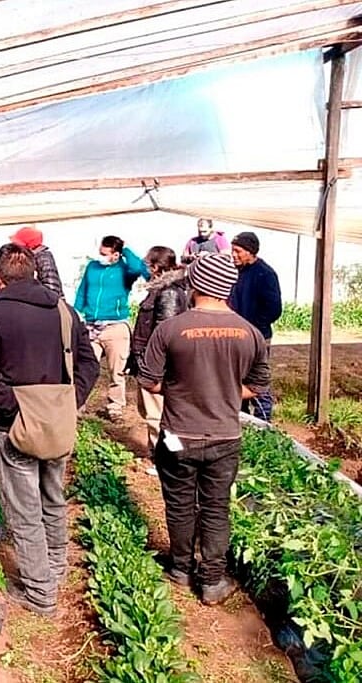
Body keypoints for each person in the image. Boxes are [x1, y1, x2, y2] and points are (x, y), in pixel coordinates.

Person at [0, 243, 99, 616]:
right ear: (34, 273)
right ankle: (55, 569)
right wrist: (68, 401)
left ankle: (41, 595)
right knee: (53, 497)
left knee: (25, 511)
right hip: (58, 424)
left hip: (13, 429)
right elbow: (89, 363)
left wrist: (19, 409)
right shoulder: (64, 311)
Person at [138, 253, 270, 606]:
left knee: (180, 503)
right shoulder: (250, 333)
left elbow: (148, 381)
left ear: (194, 284)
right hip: (225, 436)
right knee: (215, 507)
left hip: (178, 434)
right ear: (229, 286)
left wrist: (182, 387)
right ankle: (211, 581)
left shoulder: (171, 329)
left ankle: (180, 569)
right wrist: (225, 390)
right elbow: (257, 386)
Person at [74, 235, 150, 419]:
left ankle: (115, 407)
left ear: (115, 254)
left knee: (117, 370)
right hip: (92, 325)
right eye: (100, 252)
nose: (101, 256)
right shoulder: (93, 267)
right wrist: (77, 311)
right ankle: (78, 403)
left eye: (105, 253)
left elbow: (141, 269)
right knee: (85, 366)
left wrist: (126, 249)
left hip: (115, 326)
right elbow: (83, 289)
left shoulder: (125, 270)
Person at [130, 246, 188, 454]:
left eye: (148, 265)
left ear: (156, 267)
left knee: (158, 414)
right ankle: (159, 452)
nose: (146, 269)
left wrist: (154, 365)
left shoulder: (169, 292)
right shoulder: (162, 289)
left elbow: (165, 333)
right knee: (150, 410)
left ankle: (166, 457)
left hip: (157, 365)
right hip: (151, 361)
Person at [229, 231, 282, 422]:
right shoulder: (234, 272)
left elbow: (274, 309)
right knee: (237, 380)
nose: (233, 255)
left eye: (238, 251)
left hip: (257, 337)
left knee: (258, 382)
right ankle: (242, 421)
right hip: (235, 336)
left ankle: (263, 424)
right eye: (232, 250)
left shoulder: (265, 274)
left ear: (250, 252)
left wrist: (251, 329)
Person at [10, 225, 63, 297]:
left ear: (29, 246)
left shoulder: (43, 258)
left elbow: (53, 288)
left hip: (50, 304)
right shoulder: (34, 258)